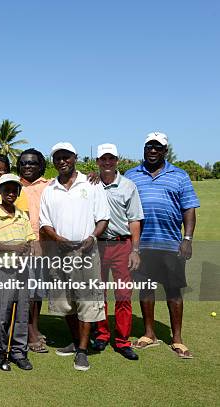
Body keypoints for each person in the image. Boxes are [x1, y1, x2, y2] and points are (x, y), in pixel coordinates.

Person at [125, 132, 199, 359]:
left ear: (165, 151)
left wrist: (187, 239)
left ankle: (177, 339)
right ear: (144, 148)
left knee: (173, 291)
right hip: (141, 244)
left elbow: (189, 209)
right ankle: (149, 334)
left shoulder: (179, 175)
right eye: (149, 146)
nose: (153, 150)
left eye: (158, 147)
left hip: (171, 244)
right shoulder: (131, 175)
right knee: (146, 288)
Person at [39, 142, 110, 371]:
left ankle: (82, 350)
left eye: (66, 157)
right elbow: (45, 223)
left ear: (75, 158)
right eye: (58, 157)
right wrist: (58, 239)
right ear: (53, 161)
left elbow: (103, 219)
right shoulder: (49, 189)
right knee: (65, 302)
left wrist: (92, 237)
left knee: (87, 301)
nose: (62, 161)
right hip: (60, 253)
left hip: (86, 252)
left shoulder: (91, 184)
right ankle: (77, 340)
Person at [89, 144, 143, 361]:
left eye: (111, 158)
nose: (107, 162)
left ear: (117, 160)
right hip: (98, 245)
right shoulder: (91, 184)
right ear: (98, 162)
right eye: (103, 159)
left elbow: (135, 220)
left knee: (123, 295)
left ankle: (122, 340)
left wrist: (135, 250)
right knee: (98, 293)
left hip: (122, 244)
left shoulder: (128, 186)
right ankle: (101, 334)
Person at [0, 174, 36, 371]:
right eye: (7, 189)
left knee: (22, 312)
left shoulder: (22, 215)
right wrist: (14, 248)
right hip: (1, 270)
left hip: (22, 270)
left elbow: (30, 239)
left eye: (15, 190)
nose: (11, 193)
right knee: (1, 313)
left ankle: (18, 353)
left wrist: (28, 251)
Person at [16, 148, 50, 353]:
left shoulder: (50, 186)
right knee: (25, 293)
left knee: (38, 292)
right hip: (21, 248)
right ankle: (28, 333)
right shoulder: (12, 185)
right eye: (24, 163)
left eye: (32, 163)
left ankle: (35, 328)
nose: (27, 166)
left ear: (41, 166)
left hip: (44, 247)